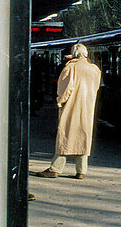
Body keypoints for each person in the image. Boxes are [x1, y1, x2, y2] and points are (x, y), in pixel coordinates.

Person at [35, 43, 101, 179]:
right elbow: (96, 87)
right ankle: (81, 170)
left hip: (72, 106)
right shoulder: (94, 69)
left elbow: (65, 89)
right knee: (84, 136)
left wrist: (60, 101)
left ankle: (55, 168)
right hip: (88, 107)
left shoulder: (71, 67)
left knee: (65, 135)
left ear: (74, 53)